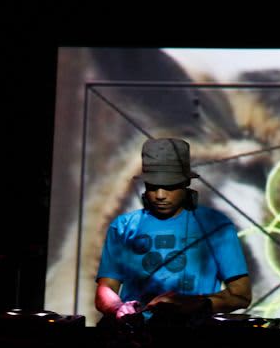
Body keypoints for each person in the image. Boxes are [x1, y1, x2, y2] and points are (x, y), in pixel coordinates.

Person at [94, 137, 251, 327]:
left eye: (169, 186)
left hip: (193, 337)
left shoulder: (217, 225)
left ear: (186, 183)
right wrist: (118, 308)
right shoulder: (123, 226)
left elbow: (241, 295)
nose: (160, 195)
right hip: (135, 336)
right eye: (153, 187)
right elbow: (105, 289)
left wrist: (193, 304)